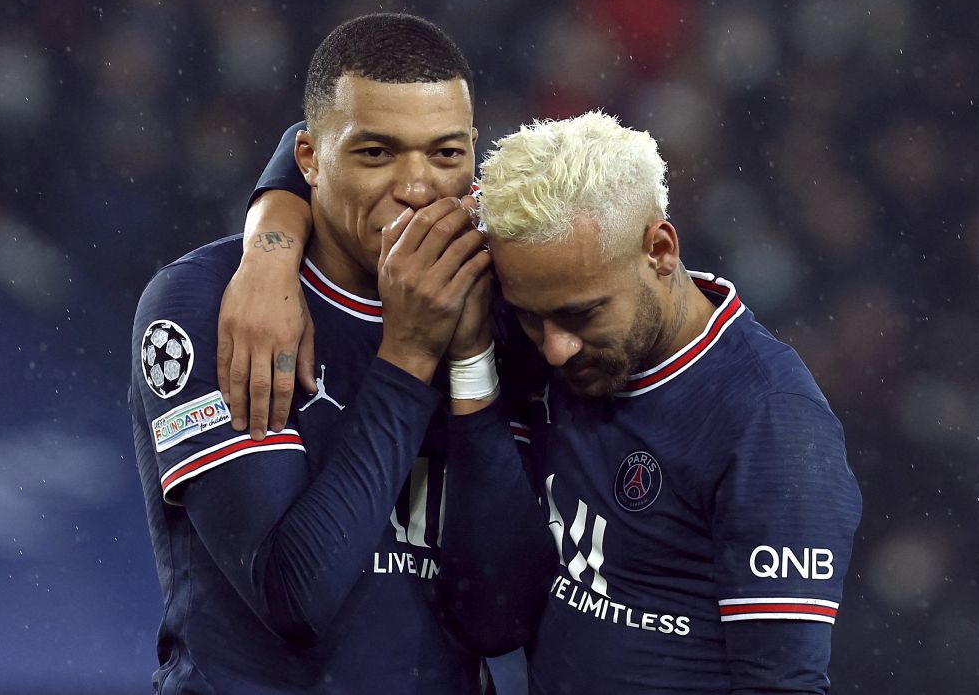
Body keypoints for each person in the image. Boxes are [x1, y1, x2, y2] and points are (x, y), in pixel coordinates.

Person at [223, 111, 862, 693]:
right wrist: (266, 255)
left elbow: (784, 684)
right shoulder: (548, 277)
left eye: (581, 315)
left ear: (660, 251)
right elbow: (329, 136)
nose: (555, 349)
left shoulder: (771, 424)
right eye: (530, 318)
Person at [129, 13, 551, 695]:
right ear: (308, 160)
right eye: (375, 153)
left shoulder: (509, 304)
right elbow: (293, 597)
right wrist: (410, 355)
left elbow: (498, 621)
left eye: (445, 155)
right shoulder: (210, 304)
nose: (416, 187)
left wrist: (470, 358)